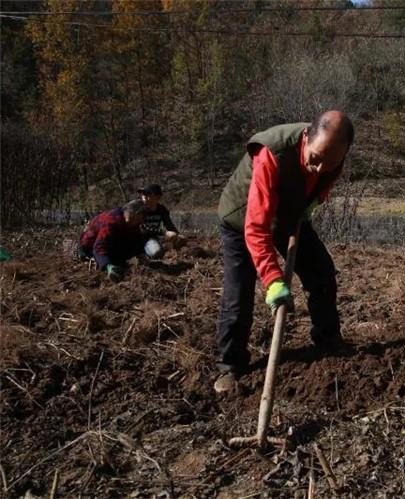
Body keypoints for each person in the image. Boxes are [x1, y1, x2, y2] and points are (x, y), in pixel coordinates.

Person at [214, 110, 354, 393]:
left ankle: (328, 340)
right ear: (306, 137)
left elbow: (322, 183)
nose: (320, 168)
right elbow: (256, 227)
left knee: (321, 272)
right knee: (239, 294)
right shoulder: (272, 154)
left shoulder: (332, 158)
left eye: (329, 163)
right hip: (241, 220)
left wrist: (308, 206)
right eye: (315, 159)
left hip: (289, 216)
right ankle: (230, 365)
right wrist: (274, 281)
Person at [78, 199, 148, 282]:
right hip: (90, 246)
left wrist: (141, 253)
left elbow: (137, 239)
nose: (141, 221)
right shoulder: (112, 221)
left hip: (110, 243)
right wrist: (108, 265)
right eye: (140, 217)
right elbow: (99, 246)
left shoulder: (132, 223)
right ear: (134, 214)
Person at [137, 184, 180, 259]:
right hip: (140, 239)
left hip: (154, 238)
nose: (144, 197)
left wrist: (177, 234)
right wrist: (164, 232)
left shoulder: (161, 209)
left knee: (175, 237)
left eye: (148, 194)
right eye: (143, 195)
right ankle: (142, 253)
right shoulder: (139, 209)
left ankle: (160, 248)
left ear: (157, 197)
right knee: (156, 252)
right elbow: (142, 228)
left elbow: (169, 224)